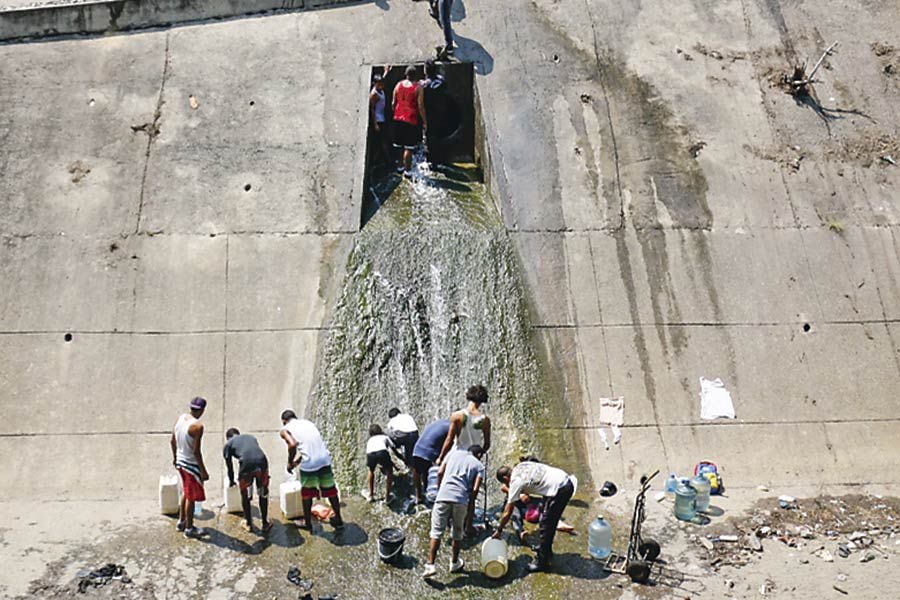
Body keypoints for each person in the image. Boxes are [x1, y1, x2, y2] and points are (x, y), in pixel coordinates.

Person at [493, 461, 577, 572]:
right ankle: (546, 551)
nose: (507, 485)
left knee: (546, 525)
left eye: (505, 482)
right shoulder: (521, 466)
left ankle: (542, 562)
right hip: (563, 479)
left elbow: (507, 513)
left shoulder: (515, 482)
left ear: (506, 478)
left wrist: (499, 530)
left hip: (560, 490)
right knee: (546, 519)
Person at [422, 445, 485, 579]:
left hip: (443, 497)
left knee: (436, 532)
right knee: (457, 532)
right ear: (478, 455)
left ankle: (430, 565)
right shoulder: (479, 466)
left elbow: (439, 473)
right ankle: (454, 562)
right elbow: (474, 492)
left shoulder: (453, 454)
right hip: (461, 500)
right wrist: (469, 510)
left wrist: (441, 490)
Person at [279, 410, 344, 530]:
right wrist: (296, 463)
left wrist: (289, 462)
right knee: (330, 490)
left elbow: (292, 445)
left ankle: (307, 523)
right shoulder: (308, 423)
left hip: (310, 465)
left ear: (284, 422)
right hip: (324, 459)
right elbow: (308, 448)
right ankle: (338, 518)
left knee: (307, 494)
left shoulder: (285, 430)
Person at [170, 397, 209, 539]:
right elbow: (196, 451)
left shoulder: (180, 418)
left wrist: (175, 457)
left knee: (186, 493)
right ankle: (189, 528)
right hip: (190, 465)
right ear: (203, 410)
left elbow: (172, 441)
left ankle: (181, 521)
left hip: (180, 462)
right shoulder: (197, 427)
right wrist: (203, 470)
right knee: (191, 497)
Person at [223, 427, 271, 533]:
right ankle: (265, 523)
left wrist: (231, 481)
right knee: (263, 493)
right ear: (238, 434)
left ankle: (248, 523)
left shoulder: (228, 444)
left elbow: (229, 467)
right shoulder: (250, 437)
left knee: (246, 496)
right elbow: (254, 452)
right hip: (262, 462)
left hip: (246, 467)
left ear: (228, 438)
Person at [437, 384, 491, 464]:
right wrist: (479, 455)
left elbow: (449, 439)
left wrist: (441, 458)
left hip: (458, 456)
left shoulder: (457, 416)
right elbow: (487, 444)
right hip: (473, 459)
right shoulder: (485, 420)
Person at [419, 59, 453, 167]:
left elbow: (420, 102)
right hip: (442, 113)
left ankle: (430, 161)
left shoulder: (423, 85)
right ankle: (441, 159)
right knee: (440, 136)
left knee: (429, 138)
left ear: (426, 71)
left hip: (429, 115)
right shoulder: (442, 81)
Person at [392, 65, 422, 178]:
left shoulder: (398, 85)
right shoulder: (418, 87)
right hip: (411, 119)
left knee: (399, 145)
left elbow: (393, 103)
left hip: (397, 118)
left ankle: (399, 166)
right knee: (408, 148)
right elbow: (420, 105)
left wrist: (396, 113)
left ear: (406, 74)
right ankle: (407, 171)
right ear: (416, 76)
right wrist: (424, 120)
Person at [411, 418, 450, 503]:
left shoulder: (440, 422)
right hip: (429, 452)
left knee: (417, 471)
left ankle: (418, 497)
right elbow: (449, 443)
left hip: (417, 449)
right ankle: (430, 496)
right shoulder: (451, 426)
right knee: (428, 474)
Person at [365, 424, 395, 502]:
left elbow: (372, 452)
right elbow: (393, 447)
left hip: (370, 453)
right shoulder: (384, 437)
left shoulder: (370, 440)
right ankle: (388, 496)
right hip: (382, 452)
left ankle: (371, 495)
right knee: (390, 471)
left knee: (371, 470)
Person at [369, 73, 392, 167]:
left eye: (382, 84)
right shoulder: (374, 94)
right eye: (379, 84)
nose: (381, 86)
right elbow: (372, 109)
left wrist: (386, 72)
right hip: (378, 120)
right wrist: (375, 124)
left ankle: (384, 160)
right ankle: (388, 162)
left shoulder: (380, 90)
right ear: (374, 84)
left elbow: (382, 79)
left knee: (384, 141)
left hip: (383, 118)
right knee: (382, 142)